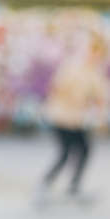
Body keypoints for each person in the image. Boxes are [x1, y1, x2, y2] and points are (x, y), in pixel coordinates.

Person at [36, 31, 108, 204]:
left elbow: (100, 96)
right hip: (62, 116)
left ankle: (72, 186)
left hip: (76, 119)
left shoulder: (93, 71)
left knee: (83, 150)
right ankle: (45, 184)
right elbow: (58, 88)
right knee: (66, 153)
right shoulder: (73, 66)